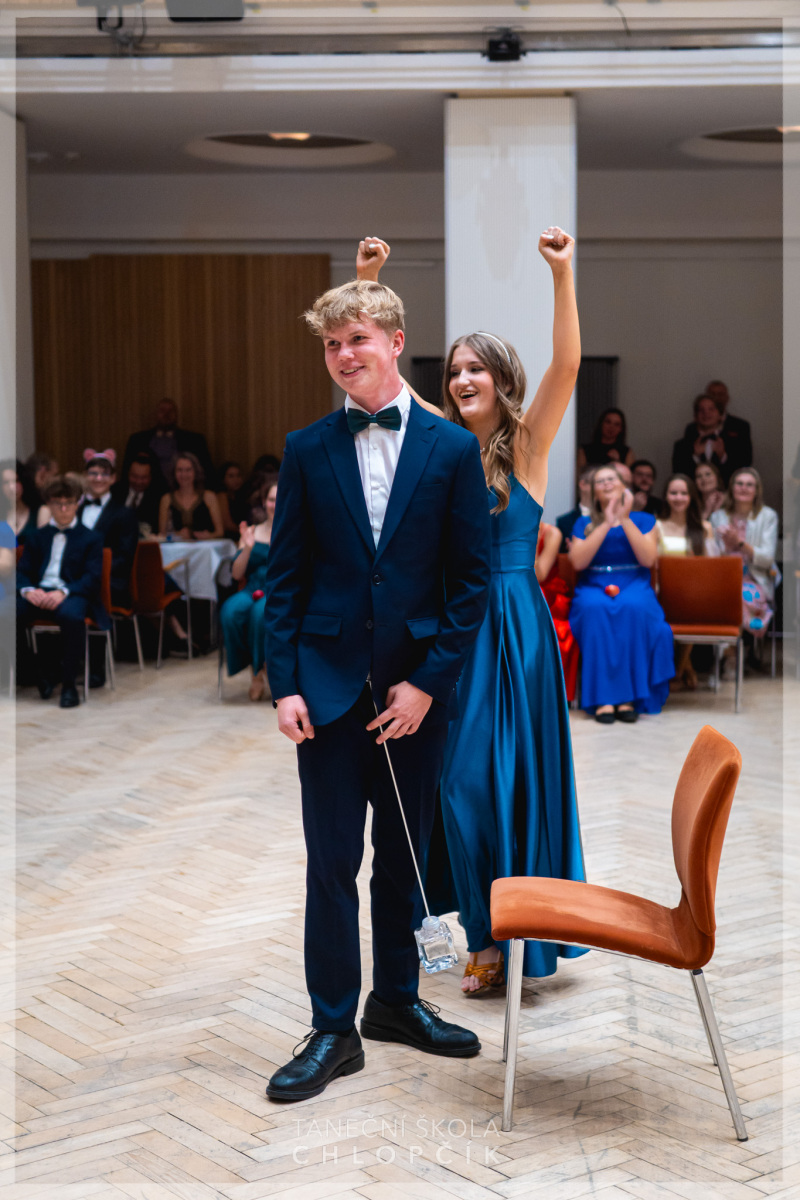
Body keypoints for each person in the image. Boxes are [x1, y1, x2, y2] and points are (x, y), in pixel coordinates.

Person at [263, 274, 491, 1102]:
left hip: (413, 699)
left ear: (395, 342)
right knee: (332, 865)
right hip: (325, 694)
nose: (343, 354)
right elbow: (284, 579)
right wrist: (285, 683)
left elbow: (470, 585)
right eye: (332, 344)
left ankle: (396, 1002)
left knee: (403, 861)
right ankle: (332, 1028)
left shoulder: (453, 451)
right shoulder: (306, 447)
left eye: (356, 338)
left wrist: (427, 685)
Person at [360, 228, 588, 994]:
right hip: (455, 630)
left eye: (475, 368)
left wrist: (562, 273)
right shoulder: (445, 446)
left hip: (513, 630)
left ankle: (497, 940)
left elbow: (568, 365)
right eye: (454, 369)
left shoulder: (528, 447)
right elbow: (385, 379)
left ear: (501, 378)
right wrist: (368, 280)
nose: (461, 379)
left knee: (500, 781)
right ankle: (478, 927)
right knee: (451, 782)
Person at [569, 464, 674, 722]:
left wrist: (624, 518)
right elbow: (578, 562)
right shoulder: (583, 523)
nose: (606, 483)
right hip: (594, 583)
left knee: (633, 607)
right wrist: (606, 522)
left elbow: (648, 559)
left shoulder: (644, 520)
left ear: (623, 485)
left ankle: (629, 699)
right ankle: (602, 700)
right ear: (593, 492)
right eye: (600, 481)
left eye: (611, 479)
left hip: (634, 581)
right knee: (594, 609)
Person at [16, 476, 106, 708]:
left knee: (71, 616)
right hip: (39, 592)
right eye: (58, 504)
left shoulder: (91, 538)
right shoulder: (36, 536)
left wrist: (64, 591)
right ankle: (36, 674)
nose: (64, 509)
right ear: (49, 505)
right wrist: (28, 591)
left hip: (71, 593)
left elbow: (92, 578)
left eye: (69, 503)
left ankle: (69, 685)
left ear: (77, 504)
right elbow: (22, 571)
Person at [77, 449, 139, 687]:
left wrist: (93, 573)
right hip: (78, 578)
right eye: (93, 473)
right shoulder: (73, 511)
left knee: (90, 593)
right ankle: (56, 665)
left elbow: (124, 558)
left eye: (104, 474)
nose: (98, 478)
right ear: (86, 476)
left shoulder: (124, 514)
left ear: (113, 479)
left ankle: (96, 667)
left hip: (111, 581)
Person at [656, 473, 716, 690]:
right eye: (673, 493)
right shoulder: (656, 526)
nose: (678, 498)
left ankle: (679, 670)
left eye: (684, 493)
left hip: (695, 593)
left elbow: (712, 566)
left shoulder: (704, 527)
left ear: (691, 497)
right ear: (666, 496)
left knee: (690, 605)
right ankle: (685, 668)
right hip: (663, 589)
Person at [220, 481, 276, 700]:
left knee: (260, 614)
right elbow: (236, 574)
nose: (275, 504)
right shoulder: (252, 531)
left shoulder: (294, 530)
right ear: (264, 502)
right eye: (271, 499)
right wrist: (248, 547)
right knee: (230, 611)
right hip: (252, 588)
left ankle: (259, 671)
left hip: (277, 590)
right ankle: (256, 667)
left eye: (280, 499)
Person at [710, 467, 779, 637]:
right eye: (739, 483)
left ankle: (731, 647)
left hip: (754, 579)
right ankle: (733, 646)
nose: (744, 488)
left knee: (736, 596)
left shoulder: (767, 516)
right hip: (723, 578)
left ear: (756, 491)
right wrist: (726, 547)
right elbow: (711, 557)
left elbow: (767, 559)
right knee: (721, 595)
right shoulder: (717, 516)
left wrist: (739, 543)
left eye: (749, 485)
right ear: (732, 488)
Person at [122, 399, 215, 490]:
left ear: (177, 415)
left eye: (171, 411)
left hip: (181, 489)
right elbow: (126, 471)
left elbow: (208, 471)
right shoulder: (138, 440)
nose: (166, 414)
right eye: (162, 411)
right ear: (156, 414)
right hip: (147, 491)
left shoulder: (194, 440)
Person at [535, 520, 579, 704]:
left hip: (548, 594)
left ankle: (551, 695)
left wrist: (525, 537)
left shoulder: (552, 533)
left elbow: (540, 574)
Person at [673, 392, 749, 484]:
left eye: (711, 409)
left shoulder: (735, 442)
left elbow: (741, 474)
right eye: (701, 410)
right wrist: (696, 457)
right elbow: (680, 478)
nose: (706, 413)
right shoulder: (681, 446)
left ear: (720, 415)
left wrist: (722, 456)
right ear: (695, 416)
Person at [158, 453, 224, 541]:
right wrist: (177, 535)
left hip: (205, 547)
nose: (184, 474)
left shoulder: (209, 496)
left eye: (188, 470)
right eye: (179, 470)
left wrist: (208, 536)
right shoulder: (166, 499)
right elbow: (162, 535)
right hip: (177, 548)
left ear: (195, 472)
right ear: (174, 473)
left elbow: (220, 532)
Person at [112, 451, 164, 536]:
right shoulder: (115, 492)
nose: (138, 482)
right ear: (128, 474)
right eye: (134, 476)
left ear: (150, 477)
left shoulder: (157, 498)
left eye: (143, 478)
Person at [1, 459, 50, 544]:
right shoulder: (3, 513)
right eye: (6, 482)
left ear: (24, 481)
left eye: (16, 481)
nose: (12, 487)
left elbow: (43, 546)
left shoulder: (41, 511)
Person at [555, 466, 594, 550]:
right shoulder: (564, 521)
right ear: (583, 484)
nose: (603, 486)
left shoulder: (610, 518)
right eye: (597, 482)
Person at [217, 461, 249, 538]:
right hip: (229, 538)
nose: (236, 479)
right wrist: (247, 532)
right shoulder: (222, 496)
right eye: (231, 476)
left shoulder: (242, 496)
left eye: (238, 475)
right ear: (223, 479)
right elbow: (227, 525)